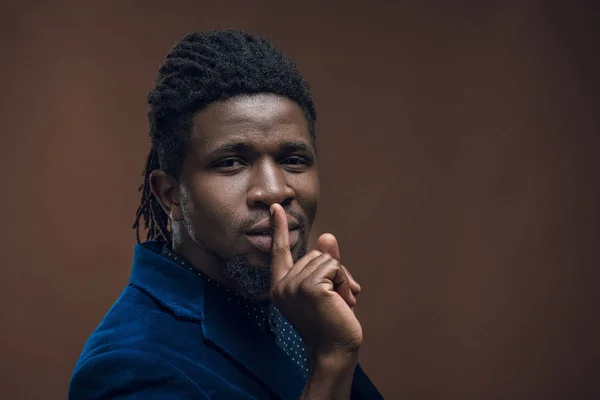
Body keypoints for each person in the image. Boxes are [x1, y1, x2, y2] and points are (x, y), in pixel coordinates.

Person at [69, 29, 383, 399]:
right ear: (171, 195)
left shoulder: (298, 309)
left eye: (292, 160)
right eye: (231, 163)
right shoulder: (129, 368)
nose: (274, 190)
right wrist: (331, 364)